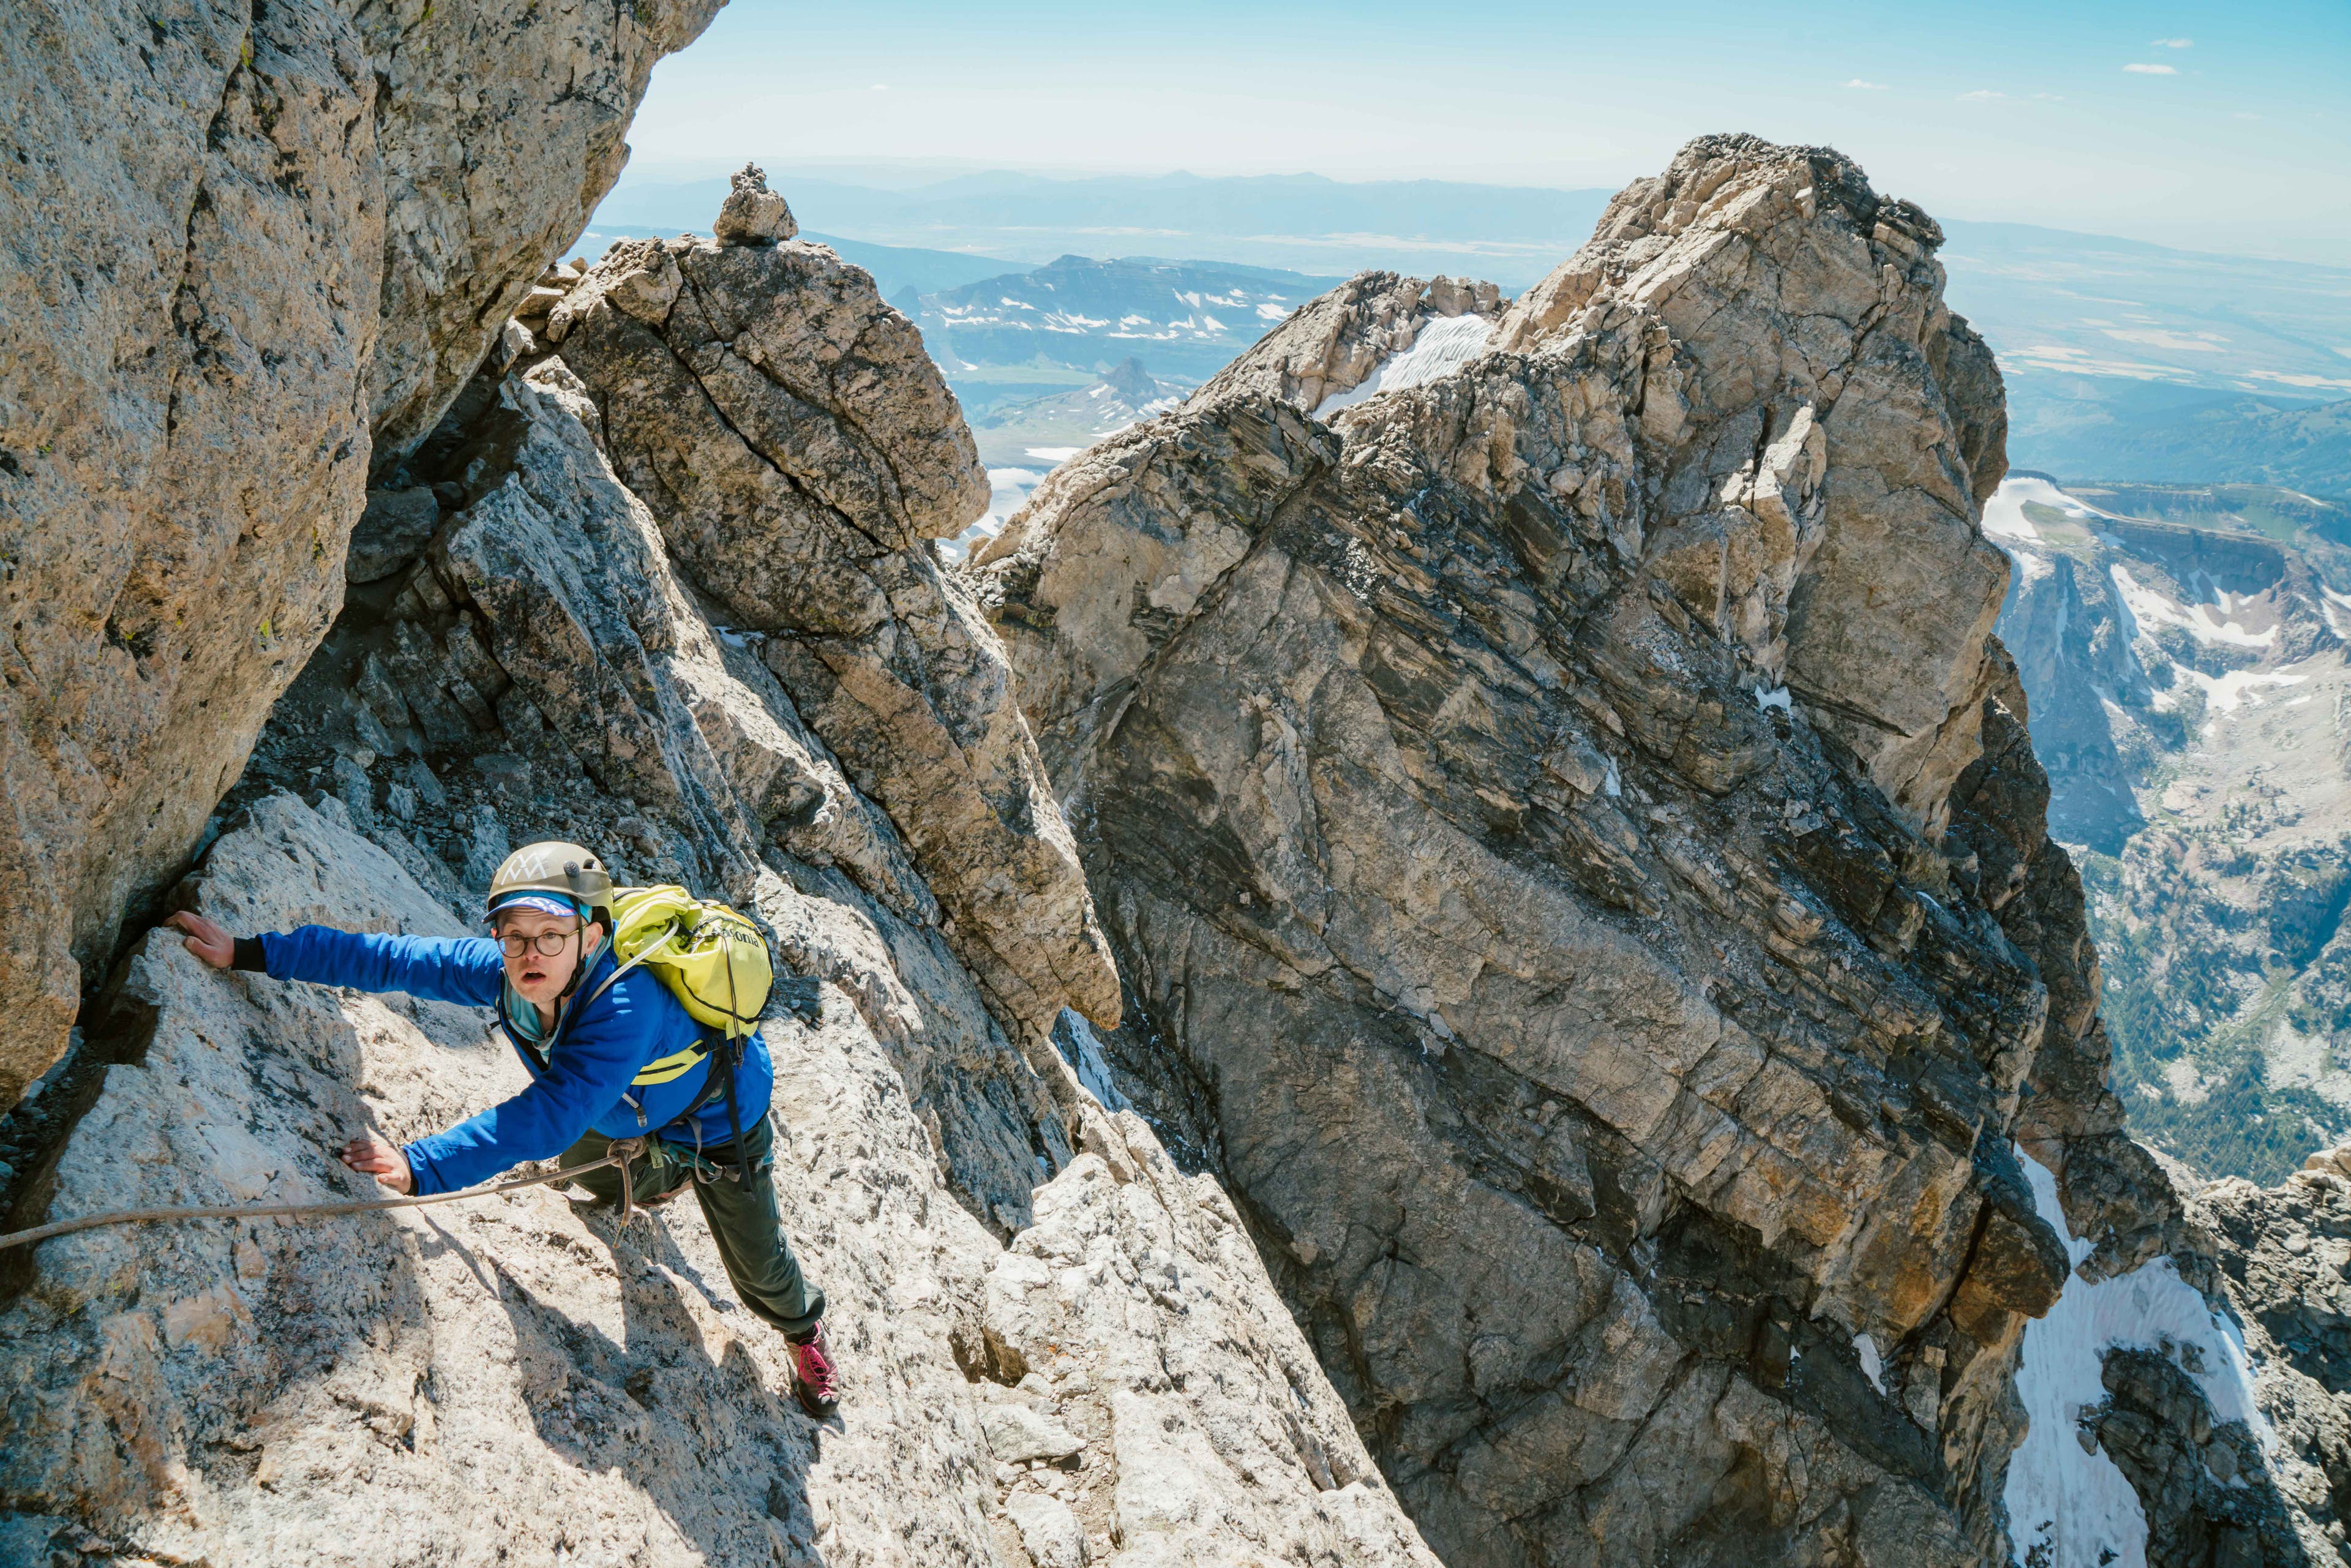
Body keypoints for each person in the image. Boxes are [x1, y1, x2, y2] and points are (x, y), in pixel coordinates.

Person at [166, 839, 841, 1416]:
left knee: (757, 1264)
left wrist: (423, 1164)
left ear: (593, 935)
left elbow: (544, 1116)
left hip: (719, 1122)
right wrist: (251, 952)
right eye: (514, 934)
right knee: (593, 1175)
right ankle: (654, 1175)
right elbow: (388, 958)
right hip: (617, 1112)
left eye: (551, 933)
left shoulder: (626, 1004)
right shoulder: (507, 975)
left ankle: (800, 1326)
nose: (530, 952)